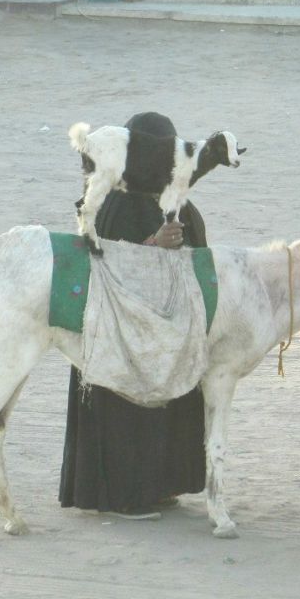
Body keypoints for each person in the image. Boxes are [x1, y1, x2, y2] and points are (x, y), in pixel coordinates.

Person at [58, 111, 207, 519]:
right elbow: (102, 259)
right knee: (124, 407)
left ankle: (157, 486)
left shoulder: (172, 198)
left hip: (162, 327)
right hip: (118, 330)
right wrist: (153, 242)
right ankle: (121, 495)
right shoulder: (110, 198)